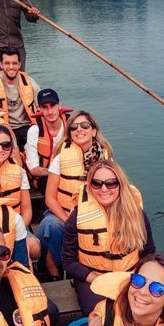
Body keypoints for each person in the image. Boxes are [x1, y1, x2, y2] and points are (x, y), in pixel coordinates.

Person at [61, 160, 155, 314]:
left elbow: (149, 252)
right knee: (100, 314)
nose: (104, 189)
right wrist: (95, 279)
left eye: (111, 183)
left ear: (120, 184)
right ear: (90, 186)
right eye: (97, 183)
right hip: (93, 278)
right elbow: (68, 261)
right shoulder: (76, 217)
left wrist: (138, 279)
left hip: (130, 276)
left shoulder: (137, 215)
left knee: (139, 313)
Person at [38, 110, 113, 276]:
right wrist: (68, 222)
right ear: (70, 133)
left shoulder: (106, 159)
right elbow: (50, 198)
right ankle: (56, 269)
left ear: (93, 130)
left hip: (93, 214)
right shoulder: (60, 158)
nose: (79, 129)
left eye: (85, 125)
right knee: (50, 227)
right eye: (74, 127)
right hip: (62, 213)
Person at [0, 124, 40, 260]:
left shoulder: (19, 171)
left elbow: (27, 209)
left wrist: (16, 232)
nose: (0, 149)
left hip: (14, 226)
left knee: (33, 247)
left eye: (6, 145)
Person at [0, 47, 40, 151]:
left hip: (27, 127)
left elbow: (42, 105)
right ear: (1, 64)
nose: (11, 67)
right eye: (7, 63)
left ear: (19, 64)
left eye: (14, 63)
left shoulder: (29, 82)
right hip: (1, 128)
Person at [24, 88, 70, 181]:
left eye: (52, 105)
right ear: (40, 109)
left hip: (67, 173)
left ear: (59, 105)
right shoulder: (34, 131)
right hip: (44, 176)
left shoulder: (70, 126)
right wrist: (58, 174)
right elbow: (34, 169)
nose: (50, 112)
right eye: (45, 107)